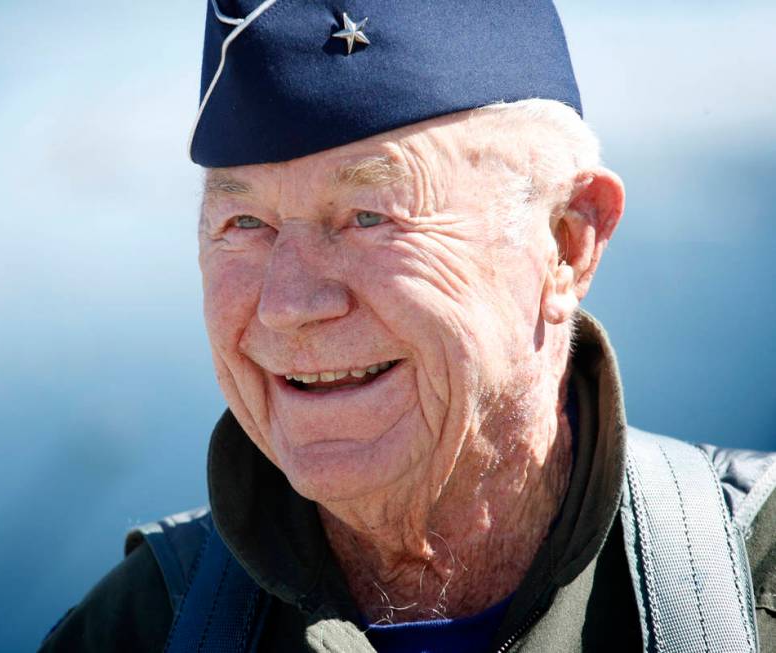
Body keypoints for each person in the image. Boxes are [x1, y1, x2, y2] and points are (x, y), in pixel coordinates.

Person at [40, 1, 776, 651]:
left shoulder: (755, 581)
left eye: (370, 215)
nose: (289, 304)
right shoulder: (140, 626)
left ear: (566, 242)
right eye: (244, 222)